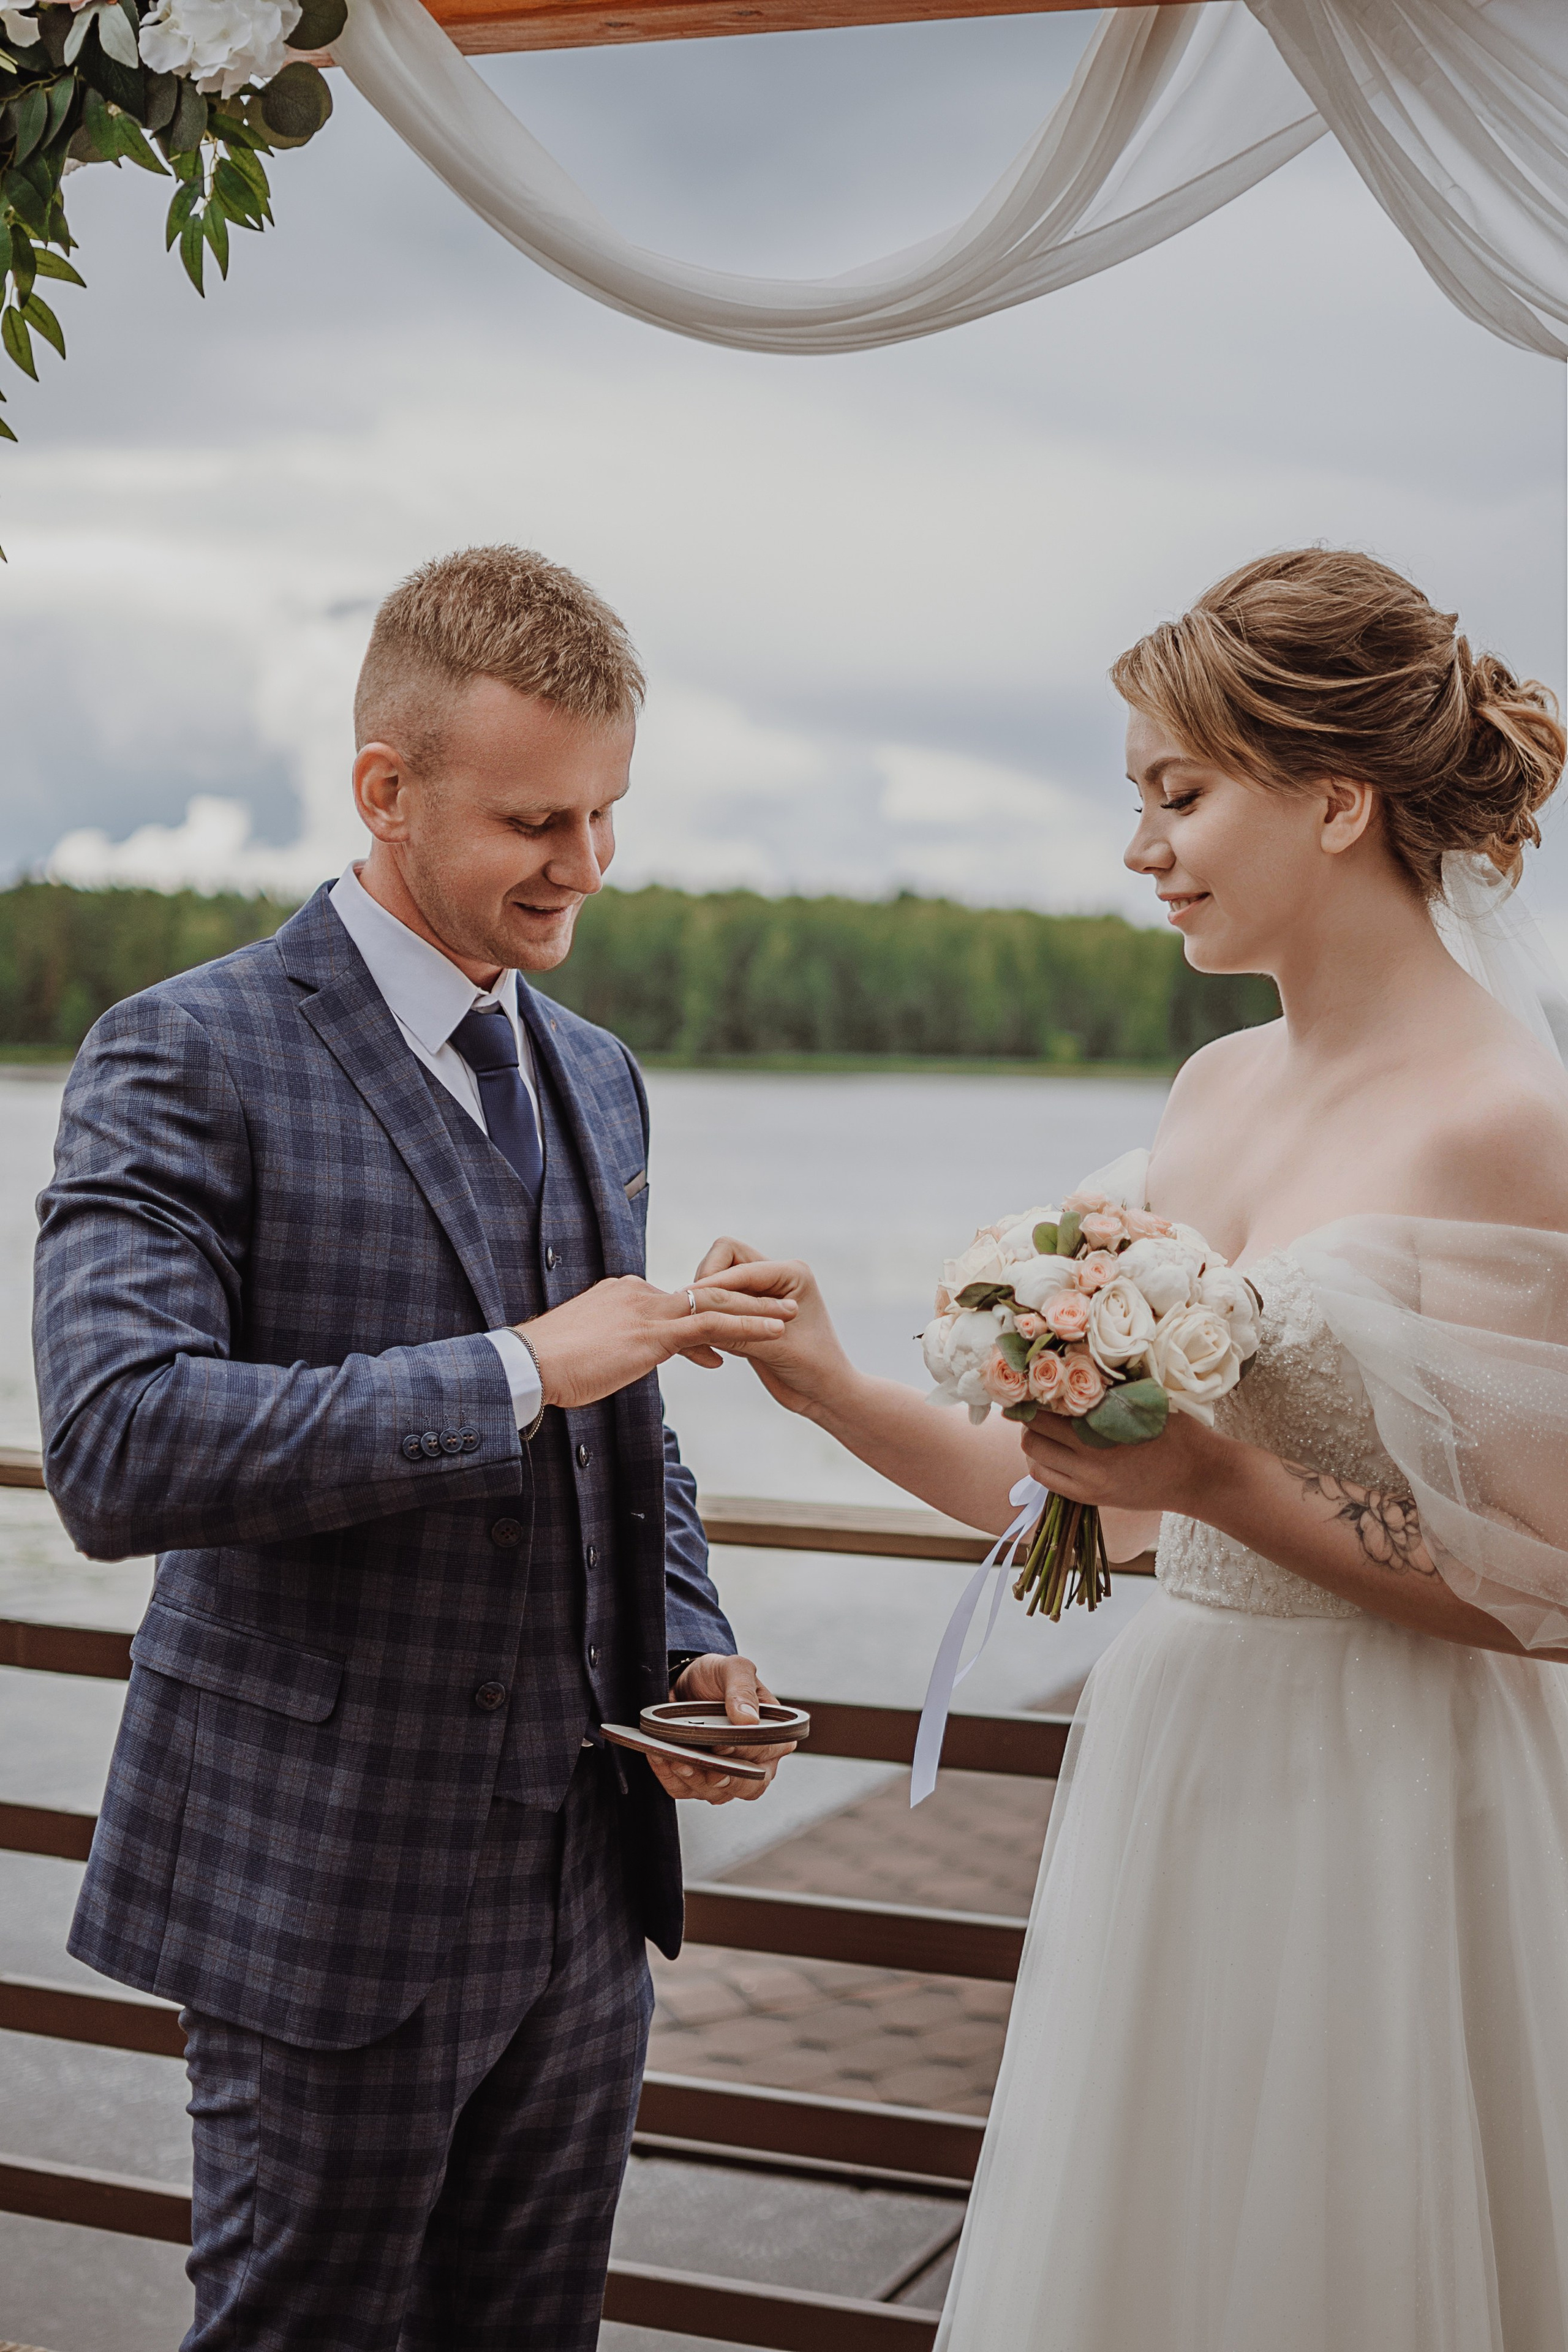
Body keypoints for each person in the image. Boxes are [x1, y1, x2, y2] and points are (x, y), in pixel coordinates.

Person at [699, 548, 1568, 2350]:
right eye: (1137, 799)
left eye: (1179, 794)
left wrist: (1221, 1484)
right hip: (1180, 1753)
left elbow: (1545, 1594)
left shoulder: (1511, 1122)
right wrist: (834, 1384)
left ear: (1336, 801)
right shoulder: (1211, 1092)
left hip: (1394, 1794)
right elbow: (1072, 1506)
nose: (1140, 847)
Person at [33, 545, 797, 2352]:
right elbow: (115, 1447)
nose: (585, 870)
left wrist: (690, 1635)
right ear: (385, 790)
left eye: (607, 815)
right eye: (537, 820)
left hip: (584, 1902)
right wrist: (517, 1366)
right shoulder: (181, 1052)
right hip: (322, 1901)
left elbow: (631, 1423)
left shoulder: (596, 1073)